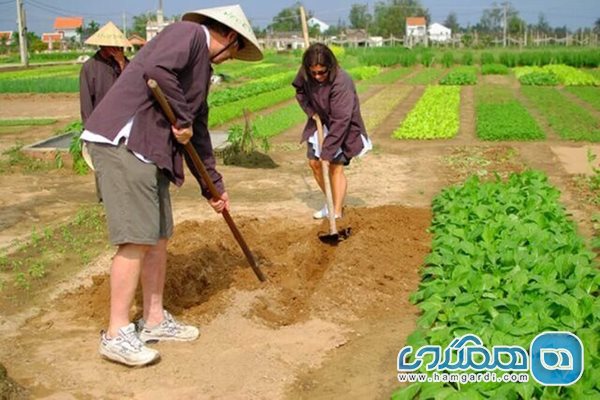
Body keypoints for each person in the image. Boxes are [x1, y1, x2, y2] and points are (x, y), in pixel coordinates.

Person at [80, 5, 263, 367]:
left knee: (158, 237)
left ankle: (153, 319)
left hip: (153, 154)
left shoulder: (202, 71)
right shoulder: (188, 34)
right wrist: (181, 117)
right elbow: (155, 69)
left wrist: (214, 186)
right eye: (235, 52)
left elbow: (197, 132)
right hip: (124, 142)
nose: (230, 60)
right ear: (229, 37)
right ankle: (116, 334)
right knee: (136, 238)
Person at [292, 43, 372, 219]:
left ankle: (336, 212)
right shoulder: (306, 73)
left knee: (335, 167)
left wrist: (327, 152)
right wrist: (311, 112)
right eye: (314, 73)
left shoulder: (342, 81)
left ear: (331, 67)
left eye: (322, 72)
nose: (318, 76)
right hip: (320, 122)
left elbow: (341, 120)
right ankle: (330, 201)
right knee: (315, 164)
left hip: (343, 128)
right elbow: (300, 90)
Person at [79, 21, 130, 201]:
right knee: (103, 162)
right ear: (103, 45)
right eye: (113, 46)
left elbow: (132, 88)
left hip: (124, 122)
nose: (116, 49)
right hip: (100, 123)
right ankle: (105, 198)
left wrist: (122, 64)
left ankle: (125, 196)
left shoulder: (126, 65)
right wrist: (89, 128)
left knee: (125, 161)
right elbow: (86, 101)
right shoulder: (90, 67)